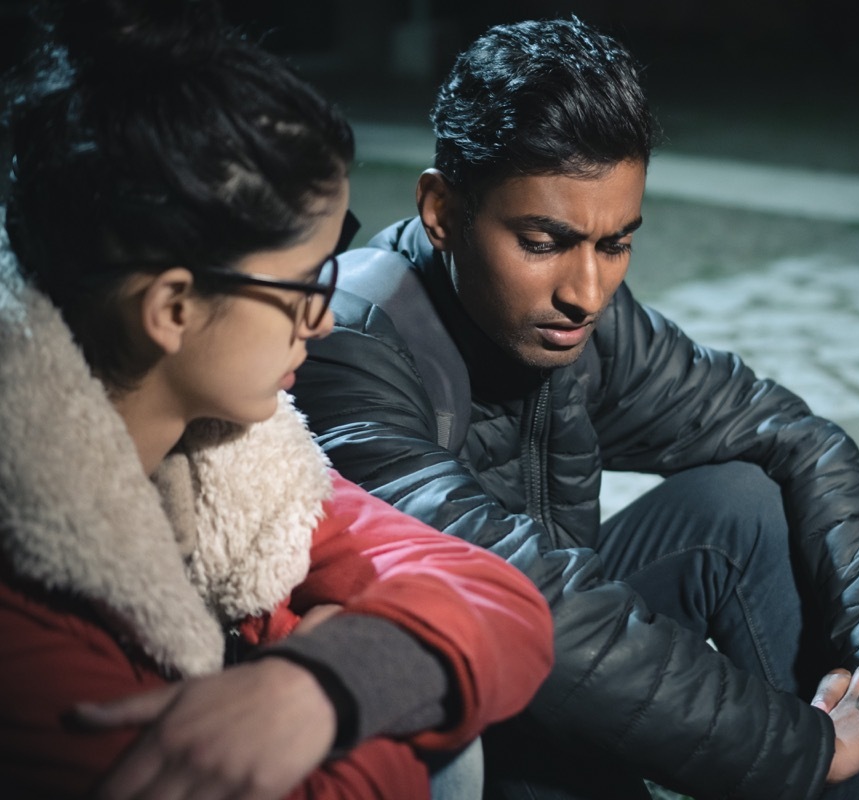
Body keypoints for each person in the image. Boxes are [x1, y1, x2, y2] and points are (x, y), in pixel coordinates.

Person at [291, 16, 859, 800]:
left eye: (614, 244)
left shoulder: (585, 326)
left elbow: (795, 434)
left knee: (741, 504)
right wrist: (801, 748)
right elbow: (514, 594)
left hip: (558, 647)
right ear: (441, 210)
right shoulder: (350, 339)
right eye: (543, 242)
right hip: (443, 710)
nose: (586, 293)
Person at [0, 1, 555, 798]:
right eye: (302, 284)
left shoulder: (234, 456)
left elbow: (500, 596)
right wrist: (372, 694)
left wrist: (322, 683)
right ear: (173, 308)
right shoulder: (26, 612)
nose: (322, 319)